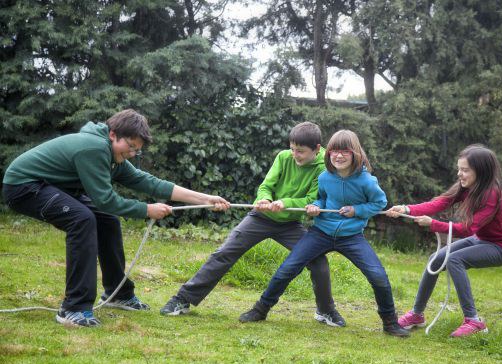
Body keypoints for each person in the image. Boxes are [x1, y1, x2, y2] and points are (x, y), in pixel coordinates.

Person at [2, 109, 230, 327]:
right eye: (130, 147)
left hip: (53, 187)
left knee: (107, 219)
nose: (131, 154)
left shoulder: (114, 154)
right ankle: (73, 309)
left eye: (136, 150)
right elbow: (105, 199)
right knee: (82, 220)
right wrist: (146, 209)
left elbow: (150, 183)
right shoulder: (93, 148)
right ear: (113, 134)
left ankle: (117, 293)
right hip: (24, 187)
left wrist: (206, 199)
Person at [160, 122, 346, 327]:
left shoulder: (324, 168)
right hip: (260, 217)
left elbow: (311, 200)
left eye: (300, 152)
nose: (295, 155)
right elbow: (266, 186)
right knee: (225, 252)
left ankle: (325, 310)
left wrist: (285, 204)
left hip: (290, 223)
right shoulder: (283, 157)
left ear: (317, 149)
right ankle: (183, 299)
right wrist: (265, 199)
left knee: (318, 260)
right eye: (292, 149)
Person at [238, 130, 410, 337]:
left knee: (378, 276)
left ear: (355, 153)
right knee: (288, 268)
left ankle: (390, 323)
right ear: (328, 154)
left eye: (344, 152)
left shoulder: (367, 181)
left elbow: (379, 203)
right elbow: (321, 199)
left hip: (351, 237)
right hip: (321, 232)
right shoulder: (325, 177)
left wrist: (357, 211)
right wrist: (315, 206)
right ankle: (260, 309)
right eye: (334, 151)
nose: (338, 156)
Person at [386, 144, 502, 337]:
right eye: (459, 169)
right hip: (480, 239)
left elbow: (467, 229)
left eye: (465, 170)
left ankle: (474, 321)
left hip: (501, 247)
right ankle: (417, 314)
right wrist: (406, 209)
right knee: (435, 259)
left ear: (480, 172)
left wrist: (433, 224)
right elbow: (439, 202)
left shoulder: (491, 194)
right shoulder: (467, 187)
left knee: (455, 260)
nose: (459, 174)